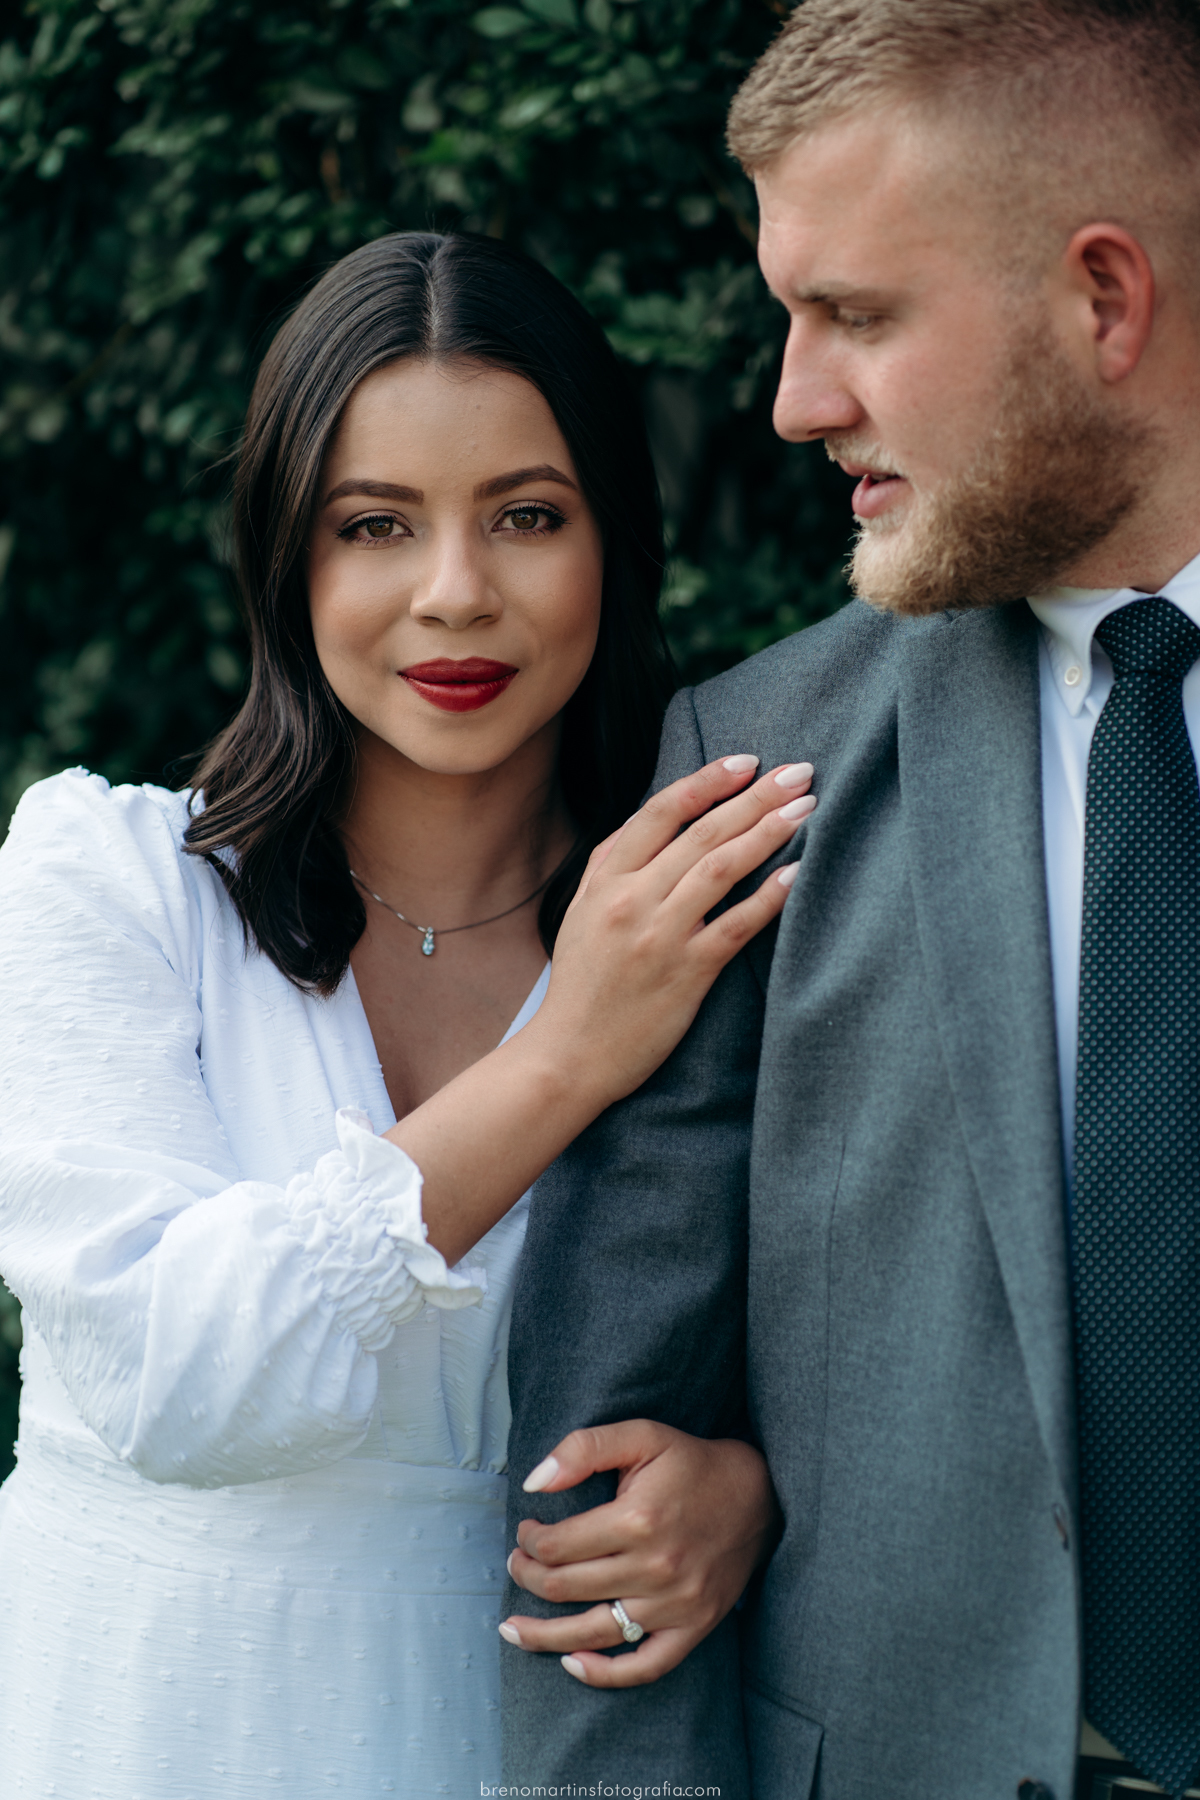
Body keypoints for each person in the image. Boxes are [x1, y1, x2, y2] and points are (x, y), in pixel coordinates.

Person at [0, 230, 806, 1797]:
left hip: (526, 1744)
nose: (455, 594)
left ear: (613, 545)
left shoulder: (704, 911)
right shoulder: (103, 885)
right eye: (376, 525)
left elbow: (875, 1350)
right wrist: (569, 1054)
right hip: (140, 1732)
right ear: (289, 560)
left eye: (525, 516)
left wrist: (753, 1497)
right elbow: (175, 1374)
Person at [500, 4, 1200, 1798]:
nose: (799, 399)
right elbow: (602, 1510)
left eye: (859, 319)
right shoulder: (746, 772)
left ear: (1102, 300)